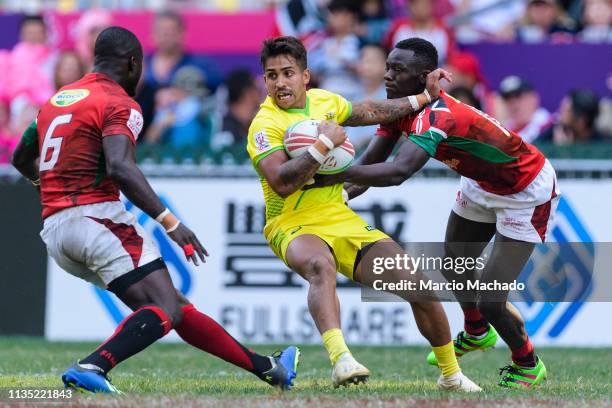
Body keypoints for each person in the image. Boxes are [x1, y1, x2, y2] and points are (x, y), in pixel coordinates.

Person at [11, 27, 299, 394]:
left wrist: (50, 186)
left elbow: (21, 158)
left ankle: (268, 368)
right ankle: (93, 366)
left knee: (170, 306)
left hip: (56, 230)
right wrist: (171, 222)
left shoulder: (57, 100)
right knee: (166, 306)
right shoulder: (118, 102)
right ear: (133, 63)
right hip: (96, 219)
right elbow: (121, 167)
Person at [313, 38, 558, 389]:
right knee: (454, 264)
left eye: (399, 70)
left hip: (525, 190)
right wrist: (334, 197)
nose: (388, 76)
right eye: (388, 67)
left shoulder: (437, 116)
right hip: (480, 183)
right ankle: (475, 332)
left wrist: (335, 173)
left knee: (490, 297)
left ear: (423, 76)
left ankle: (527, 363)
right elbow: (371, 162)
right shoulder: (402, 109)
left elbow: (398, 172)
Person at [247, 36, 480, 391]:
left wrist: (422, 98)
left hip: (339, 216)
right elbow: (282, 182)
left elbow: (370, 111)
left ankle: (451, 376)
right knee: (319, 266)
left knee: (419, 286)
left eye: (288, 73)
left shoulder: (324, 101)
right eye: (272, 75)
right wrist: (324, 144)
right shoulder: (264, 126)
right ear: (264, 81)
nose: (280, 83)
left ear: (305, 76)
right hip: (291, 223)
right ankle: (341, 359)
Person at [138, 10, 222, 135]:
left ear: (183, 33)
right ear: (152, 34)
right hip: (146, 137)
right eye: (161, 30)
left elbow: (218, 92)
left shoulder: (200, 65)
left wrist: (184, 95)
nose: (165, 34)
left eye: (171, 30)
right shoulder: (142, 66)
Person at [498, 76, 553, 144]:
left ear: (534, 98)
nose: (515, 105)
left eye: (519, 97)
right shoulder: (502, 132)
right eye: (507, 99)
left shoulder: (550, 126)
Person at [538, 89, 603, 144]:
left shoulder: (602, 144)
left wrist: (564, 152)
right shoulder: (553, 132)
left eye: (565, 110)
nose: (559, 113)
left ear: (581, 121)